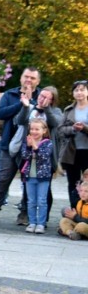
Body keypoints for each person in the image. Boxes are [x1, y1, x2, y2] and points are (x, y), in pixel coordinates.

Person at [0, 67, 41, 225]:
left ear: (37, 81)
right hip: (9, 145)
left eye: (32, 78)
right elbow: (2, 113)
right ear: (21, 78)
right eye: (26, 76)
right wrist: (22, 104)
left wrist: (31, 102)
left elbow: (42, 115)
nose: (28, 80)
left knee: (28, 180)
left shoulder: (41, 95)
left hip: (31, 146)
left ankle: (24, 213)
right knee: (2, 179)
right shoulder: (10, 94)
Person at [19, 119, 54, 234]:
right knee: (31, 201)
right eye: (32, 129)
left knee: (42, 200)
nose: (34, 131)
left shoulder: (48, 143)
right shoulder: (27, 141)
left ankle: (41, 223)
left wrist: (35, 146)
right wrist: (29, 147)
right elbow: (24, 156)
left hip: (43, 177)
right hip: (29, 176)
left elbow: (44, 157)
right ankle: (32, 222)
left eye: (37, 129)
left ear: (44, 131)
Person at [59, 80, 88, 209]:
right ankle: (74, 210)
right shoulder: (68, 110)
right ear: (73, 93)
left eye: (82, 89)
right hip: (72, 152)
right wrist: (73, 129)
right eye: (76, 90)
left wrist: (84, 128)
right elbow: (60, 130)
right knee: (73, 182)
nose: (79, 92)